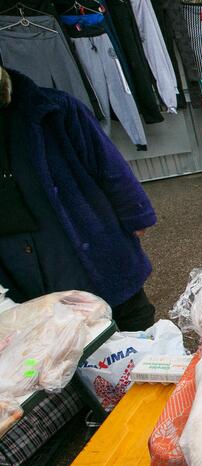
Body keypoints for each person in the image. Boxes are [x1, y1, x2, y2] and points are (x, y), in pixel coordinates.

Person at [0, 67, 158, 331]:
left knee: (133, 323)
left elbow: (108, 164)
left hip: (88, 245)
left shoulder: (55, 109)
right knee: (62, 347)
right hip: (24, 271)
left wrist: (135, 214)